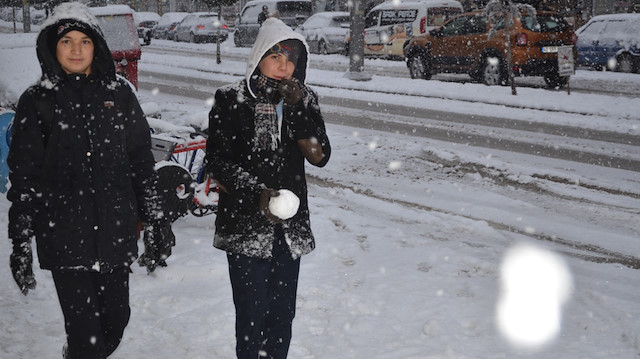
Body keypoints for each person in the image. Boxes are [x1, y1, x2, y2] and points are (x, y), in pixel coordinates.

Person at [7, 2, 173, 358]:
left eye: (85, 40)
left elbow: (141, 161)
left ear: (96, 46)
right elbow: (25, 177)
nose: (77, 49)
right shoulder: (36, 102)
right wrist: (20, 240)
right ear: (53, 46)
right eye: (67, 41)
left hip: (115, 230)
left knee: (116, 321)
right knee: (88, 337)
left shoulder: (119, 95)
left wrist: (157, 219)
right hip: (64, 234)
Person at [206, 17, 331, 359]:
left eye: (291, 59)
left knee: (281, 316)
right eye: (275, 56)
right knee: (251, 315)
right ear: (259, 56)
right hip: (245, 224)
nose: (283, 66)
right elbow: (218, 163)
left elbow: (319, 156)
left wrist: (298, 109)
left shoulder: (304, 100)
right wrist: (257, 195)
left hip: (289, 230)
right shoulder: (231, 99)